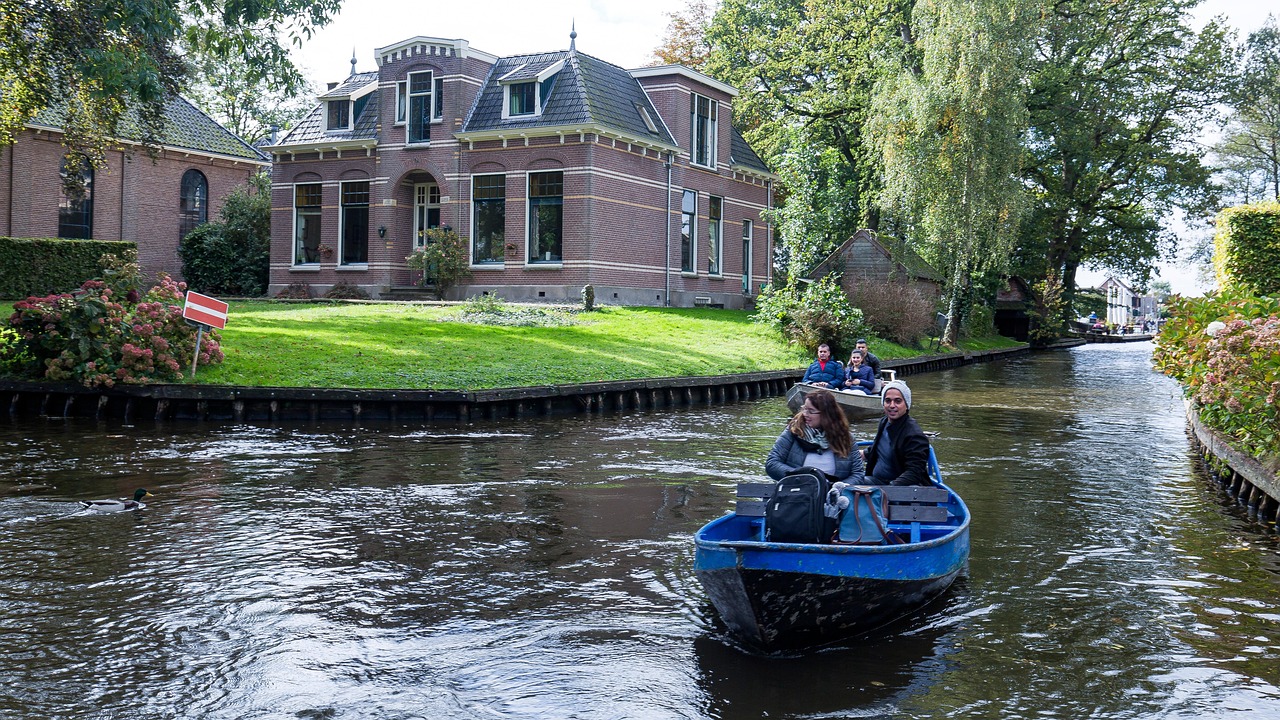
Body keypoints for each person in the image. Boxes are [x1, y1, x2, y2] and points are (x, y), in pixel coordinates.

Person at [767, 389, 865, 483]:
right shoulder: (793, 431)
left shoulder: (846, 438)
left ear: (826, 414)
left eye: (811, 411)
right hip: (796, 492)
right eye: (804, 409)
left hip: (833, 495)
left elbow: (858, 474)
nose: (805, 414)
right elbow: (772, 464)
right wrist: (801, 479)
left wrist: (839, 487)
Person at [862, 380, 931, 486]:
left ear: (906, 404)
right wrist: (856, 454)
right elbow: (879, 448)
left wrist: (891, 488)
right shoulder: (884, 422)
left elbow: (914, 473)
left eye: (898, 401)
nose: (892, 405)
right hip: (878, 481)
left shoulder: (914, 435)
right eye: (888, 401)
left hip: (904, 488)